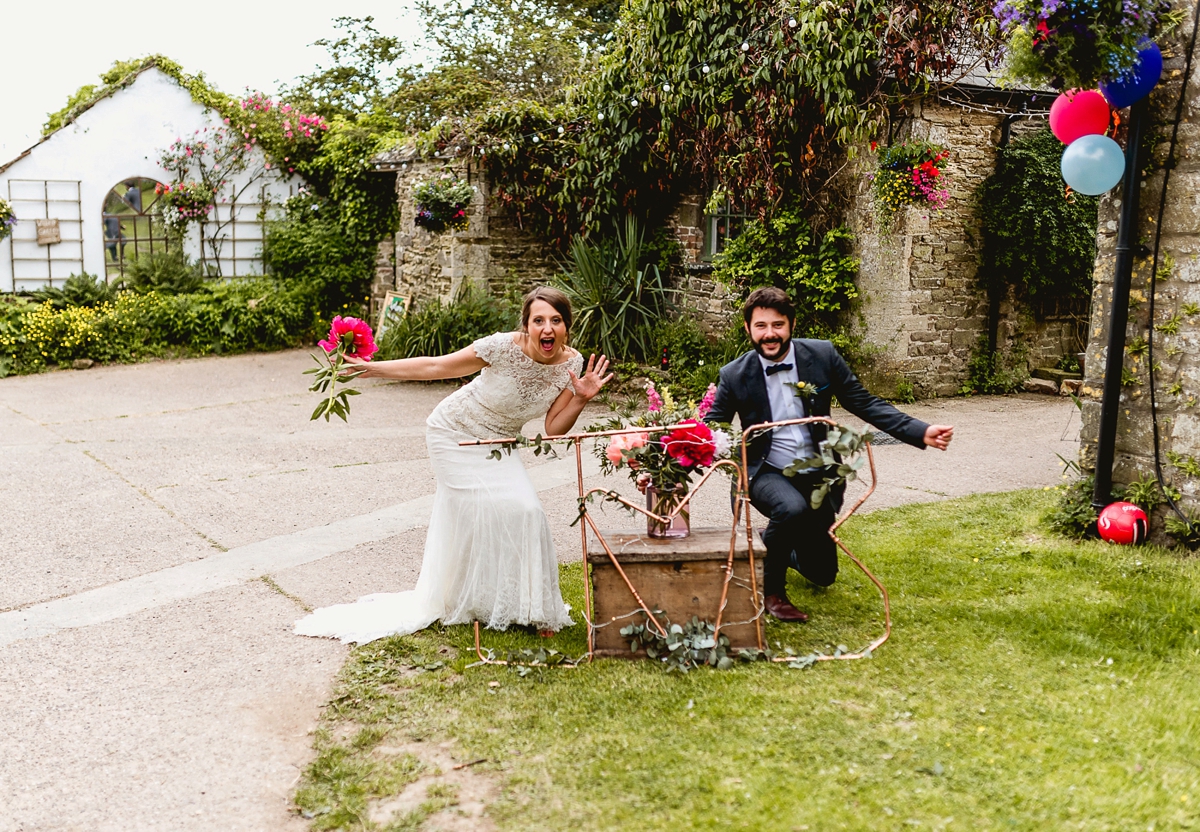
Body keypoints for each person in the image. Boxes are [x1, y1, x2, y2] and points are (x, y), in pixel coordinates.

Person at [295, 287, 613, 644]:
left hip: (498, 442)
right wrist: (373, 369)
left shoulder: (571, 364)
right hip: (453, 432)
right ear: (525, 325)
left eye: (556, 321)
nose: (547, 328)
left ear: (567, 326)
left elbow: (554, 426)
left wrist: (581, 398)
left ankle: (532, 608)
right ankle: (479, 600)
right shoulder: (501, 347)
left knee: (526, 511)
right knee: (491, 513)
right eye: (538, 320)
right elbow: (436, 365)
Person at [705, 287, 953, 622]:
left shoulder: (821, 356)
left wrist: (919, 430)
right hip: (766, 470)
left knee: (822, 573)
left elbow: (863, 402)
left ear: (791, 324)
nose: (770, 334)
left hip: (819, 472)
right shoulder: (734, 375)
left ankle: (771, 543)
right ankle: (771, 592)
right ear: (748, 328)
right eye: (761, 326)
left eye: (778, 325)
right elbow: (709, 427)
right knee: (790, 510)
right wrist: (666, 459)